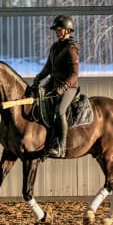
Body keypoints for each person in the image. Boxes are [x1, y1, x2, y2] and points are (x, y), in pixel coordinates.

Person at [32, 15, 80, 158]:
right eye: (56, 30)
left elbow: (75, 74)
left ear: (67, 31)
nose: (57, 33)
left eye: (59, 30)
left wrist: (64, 86)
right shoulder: (55, 47)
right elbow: (48, 67)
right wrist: (38, 78)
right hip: (53, 84)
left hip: (69, 87)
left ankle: (62, 146)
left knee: (59, 110)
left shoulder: (71, 49)